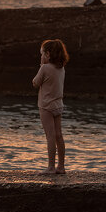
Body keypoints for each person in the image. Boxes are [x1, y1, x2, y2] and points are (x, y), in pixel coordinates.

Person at [32, 39, 69, 175]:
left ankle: (51, 167)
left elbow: (35, 83)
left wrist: (41, 65)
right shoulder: (61, 68)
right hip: (58, 105)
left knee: (50, 136)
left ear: (48, 54)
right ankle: (61, 166)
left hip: (46, 106)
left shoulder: (45, 68)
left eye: (42, 54)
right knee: (59, 135)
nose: (41, 56)